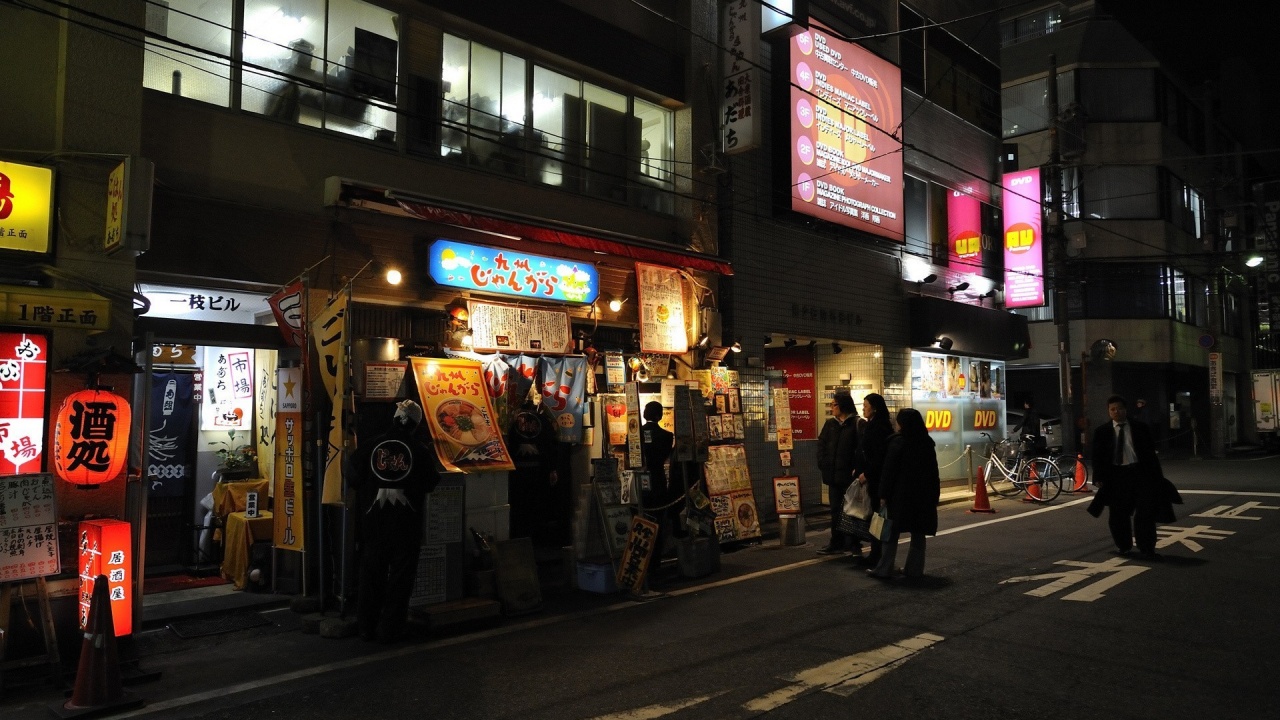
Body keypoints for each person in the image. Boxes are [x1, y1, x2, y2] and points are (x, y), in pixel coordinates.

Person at [352, 399, 441, 642]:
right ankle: (390, 629)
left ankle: (366, 627)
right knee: (400, 580)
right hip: (406, 526)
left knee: (371, 576)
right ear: (415, 425)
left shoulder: (371, 446)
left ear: (394, 419)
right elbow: (432, 482)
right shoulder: (419, 450)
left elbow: (352, 476)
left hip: (374, 524)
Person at [1088, 395, 1164, 560]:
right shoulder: (1102, 431)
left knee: (1145, 513)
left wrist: (1156, 476)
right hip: (1116, 476)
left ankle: (1147, 547)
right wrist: (1098, 476)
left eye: (1120, 408)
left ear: (1126, 409)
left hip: (1138, 473)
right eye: (1113, 409)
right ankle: (1124, 546)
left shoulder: (1140, 427)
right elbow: (1097, 456)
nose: (1117, 412)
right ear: (1108, 411)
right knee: (1118, 514)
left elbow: (1150, 454)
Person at [868, 408, 940, 580]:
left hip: (899, 496)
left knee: (890, 533)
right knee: (918, 532)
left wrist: (883, 494)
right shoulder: (926, 442)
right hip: (922, 496)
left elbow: (889, 471)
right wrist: (934, 495)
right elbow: (933, 472)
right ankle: (914, 570)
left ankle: (884, 569)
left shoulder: (897, 443)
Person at [851, 393, 893, 567]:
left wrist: (866, 473)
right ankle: (876, 554)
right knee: (873, 515)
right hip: (871, 477)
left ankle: (877, 555)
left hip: (876, 480)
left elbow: (878, 456)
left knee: (876, 516)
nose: (863, 408)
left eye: (866, 405)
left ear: (874, 407)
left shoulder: (879, 427)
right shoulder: (873, 425)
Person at [640, 401, 683, 569]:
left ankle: (643, 561)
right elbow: (665, 457)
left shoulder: (635, 433)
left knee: (641, 520)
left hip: (639, 482)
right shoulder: (667, 436)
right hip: (658, 481)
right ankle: (655, 560)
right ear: (659, 415)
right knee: (658, 522)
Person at [816, 391, 859, 555]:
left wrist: (856, 469)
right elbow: (821, 445)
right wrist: (823, 463)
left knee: (852, 510)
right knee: (835, 510)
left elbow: (861, 449)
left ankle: (853, 543)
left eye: (834, 404)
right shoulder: (830, 424)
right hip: (833, 475)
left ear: (843, 406)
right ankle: (836, 542)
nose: (831, 408)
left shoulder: (856, 424)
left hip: (850, 477)